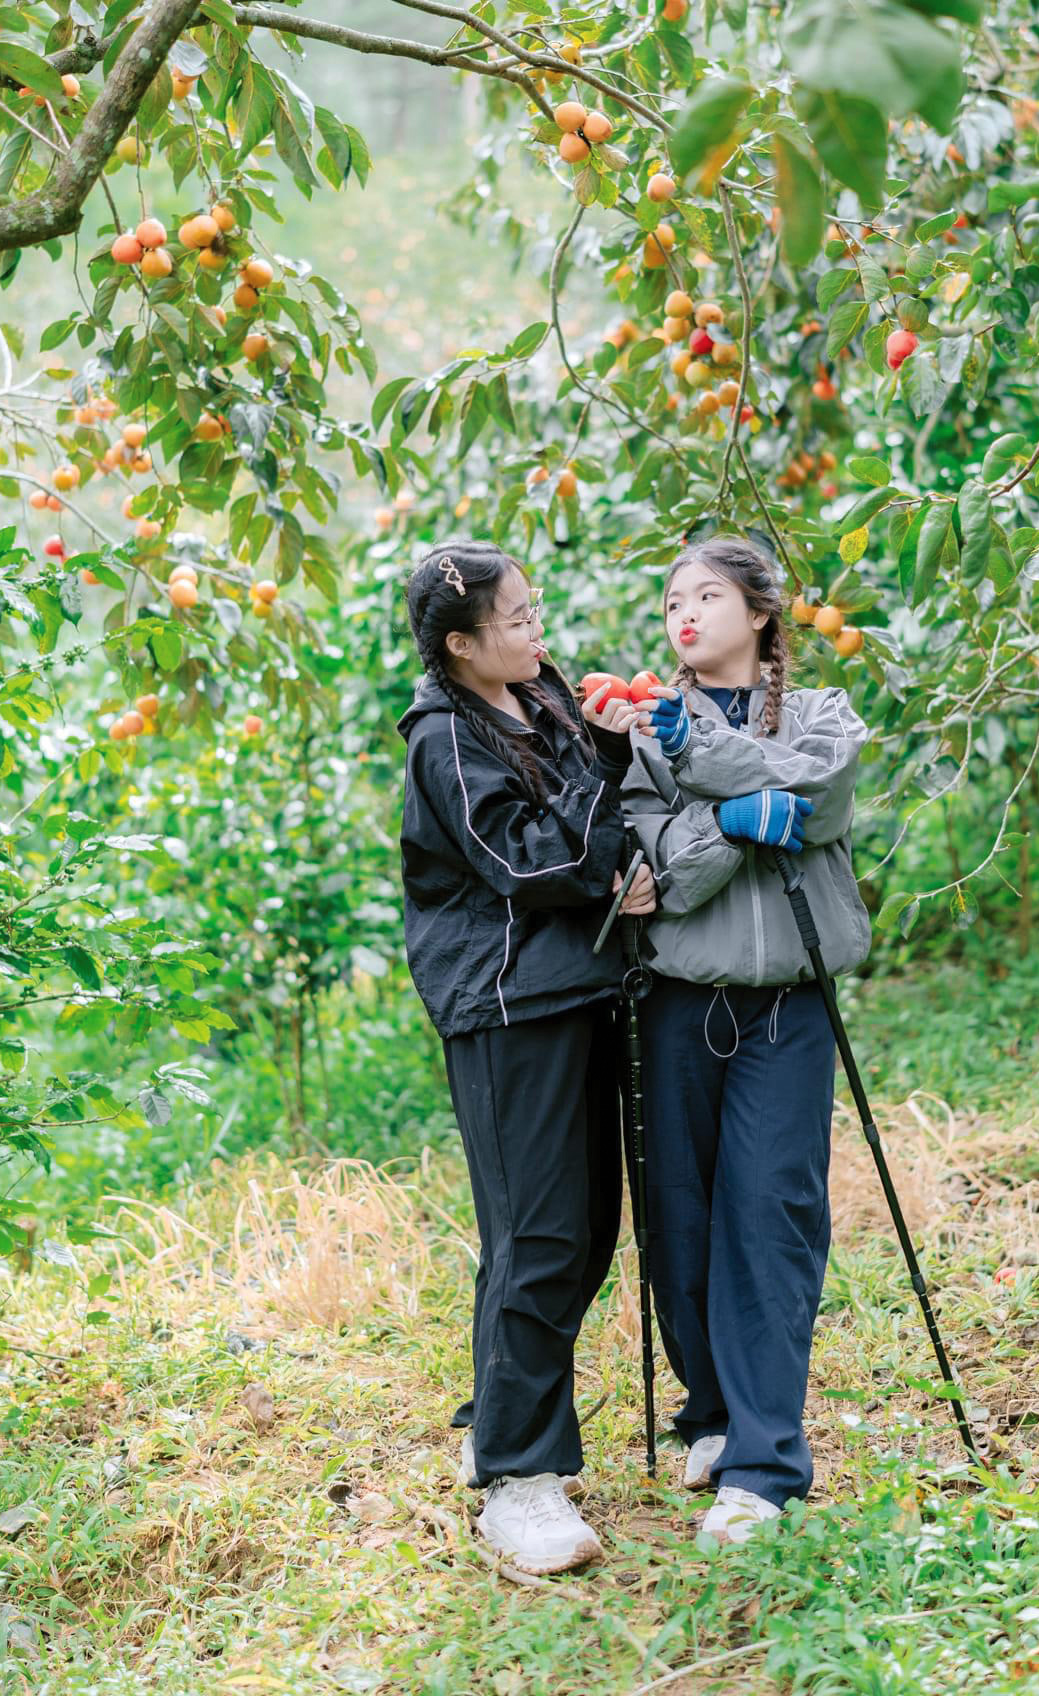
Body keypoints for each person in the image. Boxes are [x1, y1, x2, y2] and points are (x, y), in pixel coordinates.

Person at [397, 540, 656, 1575]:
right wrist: (603, 857)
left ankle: (495, 1421)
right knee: (537, 1231)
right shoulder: (445, 740)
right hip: (506, 1005)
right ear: (461, 644)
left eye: (534, 609)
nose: (537, 629)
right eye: (515, 619)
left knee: (584, 1227)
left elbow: (590, 812)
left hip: (577, 984)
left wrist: (613, 752)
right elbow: (524, 856)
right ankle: (517, 1476)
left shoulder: (538, 693)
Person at [621, 534, 870, 1546]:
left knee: (771, 1219)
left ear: (763, 611)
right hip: (679, 1002)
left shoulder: (821, 714)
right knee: (681, 1222)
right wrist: (735, 823)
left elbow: (818, 798)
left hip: (790, 1006)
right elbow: (652, 870)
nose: (685, 611)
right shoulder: (644, 729)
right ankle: (714, 1412)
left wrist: (708, 765)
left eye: (709, 593)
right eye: (674, 596)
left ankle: (765, 1467)